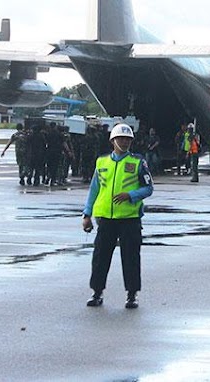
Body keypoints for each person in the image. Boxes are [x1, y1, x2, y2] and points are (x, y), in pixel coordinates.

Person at [82, 123, 154, 309]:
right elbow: (94, 189)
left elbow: (148, 188)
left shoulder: (138, 162)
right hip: (105, 218)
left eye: (127, 139)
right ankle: (97, 292)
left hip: (129, 218)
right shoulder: (102, 162)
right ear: (112, 141)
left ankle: (132, 294)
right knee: (100, 257)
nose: (124, 142)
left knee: (130, 257)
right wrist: (87, 214)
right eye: (120, 139)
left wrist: (130, 196)